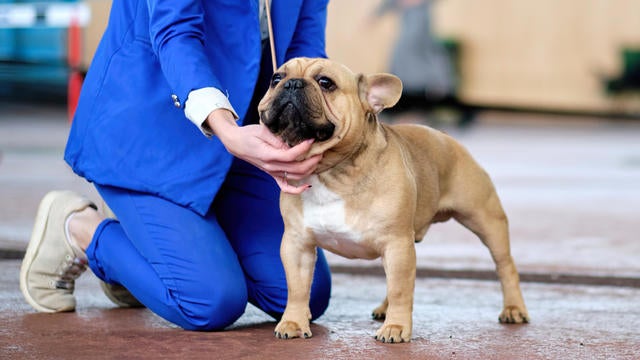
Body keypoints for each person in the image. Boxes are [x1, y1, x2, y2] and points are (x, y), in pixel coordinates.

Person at [19, 0, 332, 331]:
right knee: (210, 302)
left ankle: (151, 246)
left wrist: (302, 142)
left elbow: (305, 52)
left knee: (306, 294)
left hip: (242, 141)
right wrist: (226, 131)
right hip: (149, 135)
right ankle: (78, 227)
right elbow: (175, 31)